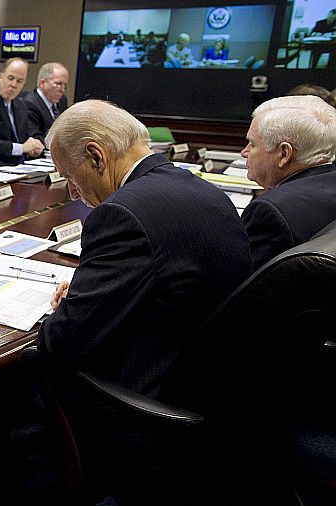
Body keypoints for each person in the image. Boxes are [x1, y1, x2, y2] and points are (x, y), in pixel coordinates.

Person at [39, 100, 251, 397]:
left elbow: (60, 343)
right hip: (215, 382)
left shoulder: (121, 214)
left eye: (70, 177)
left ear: (96, 156)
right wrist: (93, 289)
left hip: (147, 394)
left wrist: (75, 307)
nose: (73, 193)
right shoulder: (205, 189)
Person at [240, 95, 336, 270]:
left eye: (252, 144)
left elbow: (241, 285)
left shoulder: (269, 211)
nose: (244, 152)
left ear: (284, 154)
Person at [19, 62, 69, 141]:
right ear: (43, 83)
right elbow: (35, 137)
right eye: (58, 84)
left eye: (65, 85)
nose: (62, 90)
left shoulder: (62, 100)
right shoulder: (29, 104)